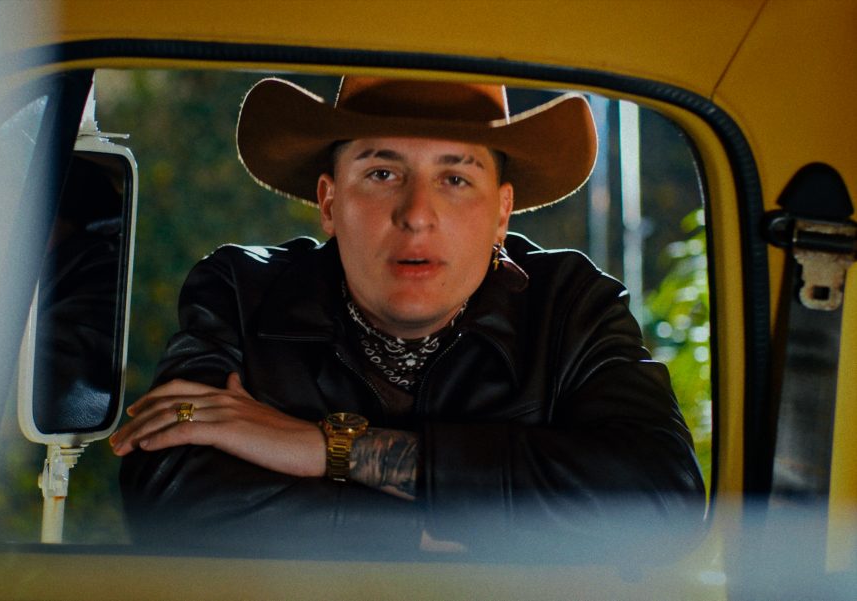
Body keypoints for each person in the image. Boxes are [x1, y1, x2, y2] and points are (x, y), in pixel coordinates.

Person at [110, 76, 705, 558]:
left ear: (502, 213)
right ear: (329, 201)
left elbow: (662, 502)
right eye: (382, 174)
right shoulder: (242, 294)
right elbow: (169, 490)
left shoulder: (571, 306)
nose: (417, 214)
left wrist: (329, 448)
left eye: (455, 178)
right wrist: (430, 532)